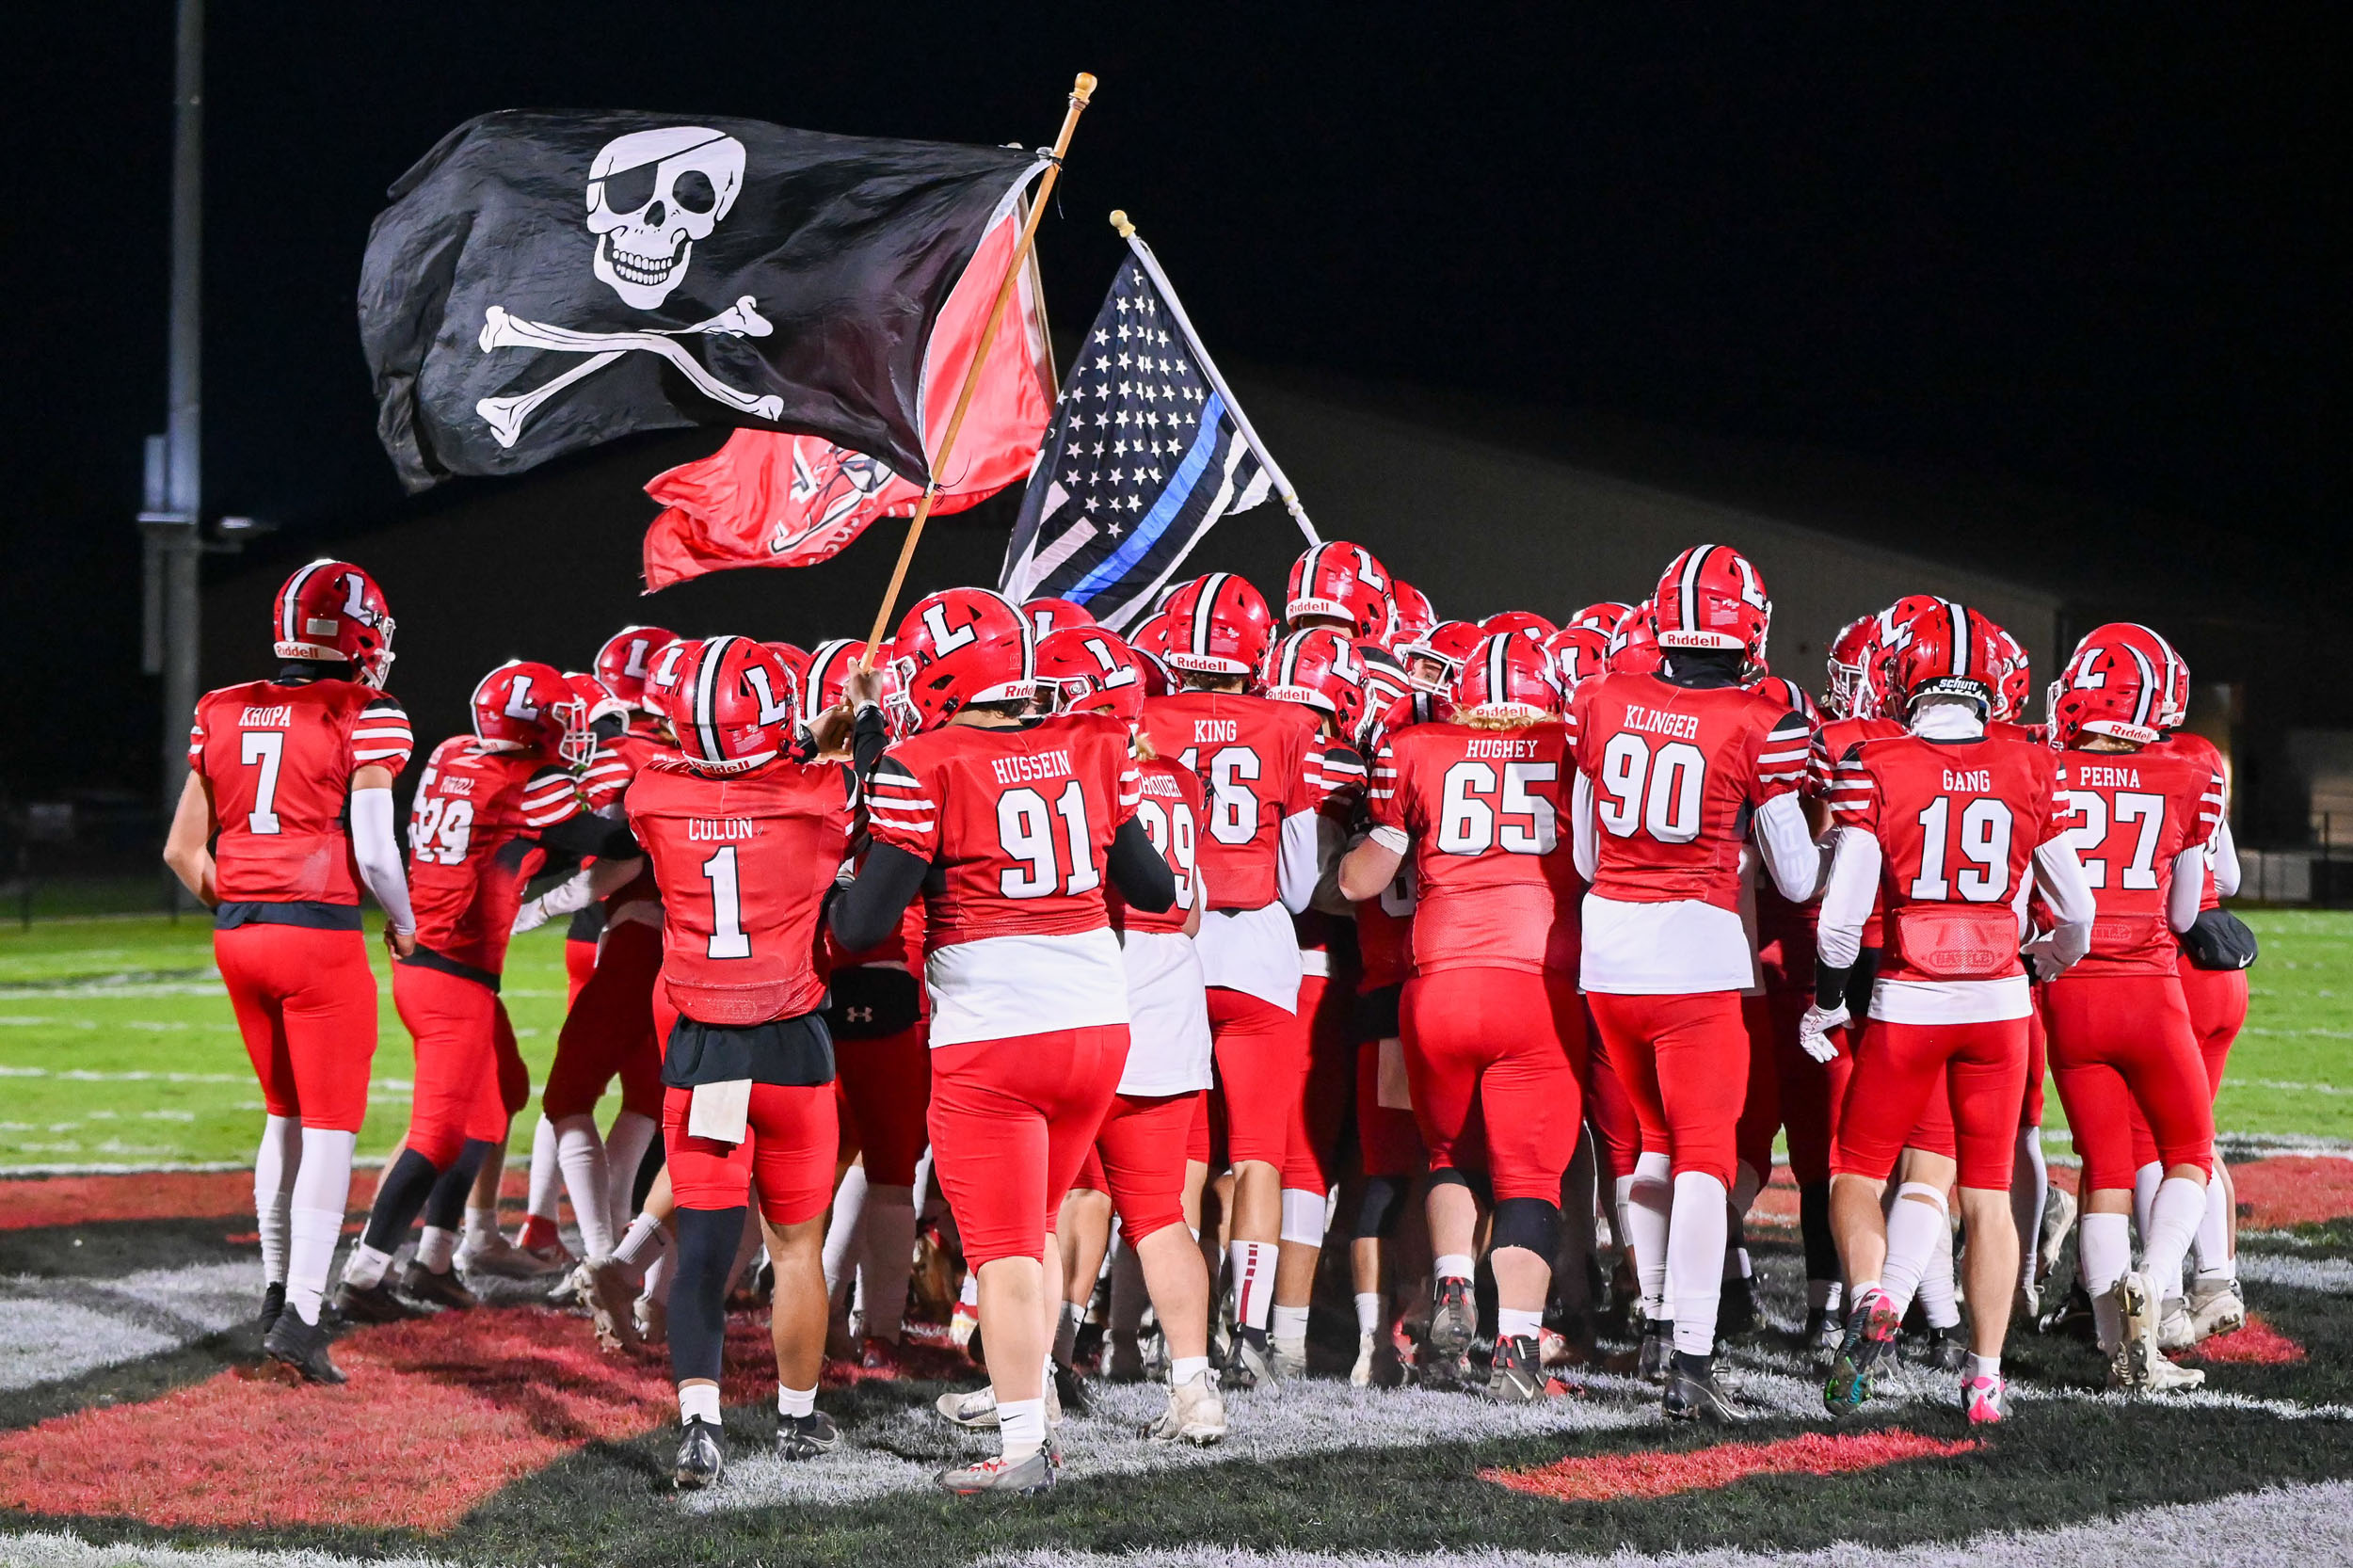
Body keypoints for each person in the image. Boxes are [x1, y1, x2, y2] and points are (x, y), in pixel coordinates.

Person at [830, 587, 1175, 1496]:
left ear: (944, 675)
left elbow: (865, 923)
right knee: (1037, 1224)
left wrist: (830, 888)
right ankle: (1028, 1392)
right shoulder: (1095, 744)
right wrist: (875, 737)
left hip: (996, 1036)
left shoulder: (926, 764)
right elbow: (1150, 883)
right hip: (1098, 1028)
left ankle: (1027, 1447)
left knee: (1008, 1249)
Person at [1803, 601, 2092, 1424]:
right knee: (1988, 1197)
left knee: (1856, 1174)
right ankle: (1986, 1382)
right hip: (2000, 1003)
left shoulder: (1877, 763)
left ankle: (1872, 1298)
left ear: (1903, 678)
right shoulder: (2027, 764)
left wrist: (1827, 1005)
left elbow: (1837, 921)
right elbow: (2075, 911)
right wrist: (2041, 964)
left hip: (1908, 1001)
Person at [1570, 546, 1823, 1423]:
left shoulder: (1602, 697)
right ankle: (1691, 1356)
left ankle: (1652, 1320)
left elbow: (1585, 855)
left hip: (1610, 954)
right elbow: (1794, 881)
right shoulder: (1758, 722)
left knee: (1649, 1142)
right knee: (1706, 1158)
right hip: (1699, 956)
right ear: (1748, 623)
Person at [626, 635, 885, 1488]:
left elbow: (731, 770)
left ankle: (699, 1427)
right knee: (797, 1247)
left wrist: (807, 739)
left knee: (702, 1249)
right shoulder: (816, 796)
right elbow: (854, 784)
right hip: (792, 1042)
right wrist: (858, 721)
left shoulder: (653, 796)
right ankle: (798, 1421)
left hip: (706, 1047)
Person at [166, 560, 416, 1384]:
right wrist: (406, 925)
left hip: (239, 936)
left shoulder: (222, 708)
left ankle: (276, 1292)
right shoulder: (365, 712)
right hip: (317, 940)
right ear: (355, 638)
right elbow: (376, 851)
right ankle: (306, 1315)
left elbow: (180, 850)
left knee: (283, 1115)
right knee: (333, 1127)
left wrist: (242, 903)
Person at [333, 662, 633, 1322]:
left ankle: (436, 1258)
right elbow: (611, 839)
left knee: (502, 1093)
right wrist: (627, 778)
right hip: (453, 977)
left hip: (433, 961)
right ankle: (364, 1274)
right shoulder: (526, 783)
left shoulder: (453, 753)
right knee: (437, 1136)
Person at [1341, 631, 1585, 1400]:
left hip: (1437, 985)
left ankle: (1451, 1283)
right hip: (1535, 982)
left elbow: (1359, 881)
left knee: (1448, 1152)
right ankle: (1514, 1349)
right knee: (1530, 1180)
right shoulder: (1573, 746)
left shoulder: (1415, 747)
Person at [1039, 623, 1227, 1442]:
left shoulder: (1076, 773)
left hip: (1095, 998)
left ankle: (1033, 1380)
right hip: (1171, 999)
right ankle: (1195, 1390)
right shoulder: (1180, 778)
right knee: (1158, 1213)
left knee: (1042, 1209)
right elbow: (1187, 912)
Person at [1137, 573, 1322, 1387]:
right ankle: (1246, 1331)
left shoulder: (1147, 717)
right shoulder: (1289, 723)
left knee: (1177, 1152)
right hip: (1257, 948)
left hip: (1174, 944)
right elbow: (1302, 879)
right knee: (1258, 1153)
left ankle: (1158, 1323)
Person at [2043, 632, 2226, 1390]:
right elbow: (2187, 910)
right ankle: (2154, 1278)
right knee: (2188, 1147)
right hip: (2149, 986)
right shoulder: (2187, 773)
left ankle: (2120, 1347)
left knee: (2105, 1170)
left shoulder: (2042, 769)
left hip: (2069, 989)